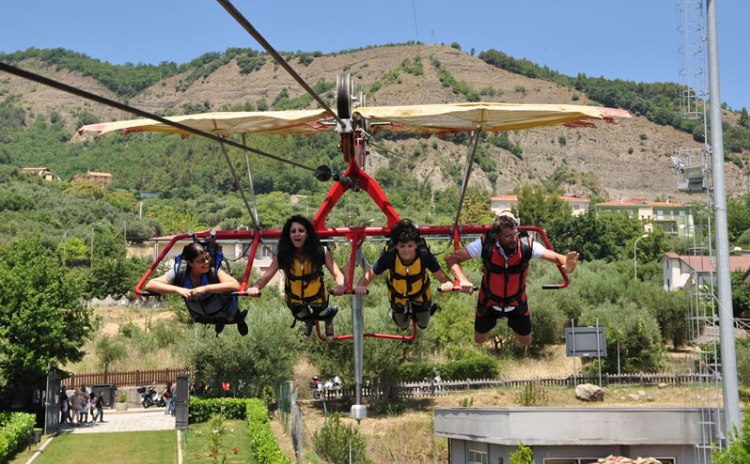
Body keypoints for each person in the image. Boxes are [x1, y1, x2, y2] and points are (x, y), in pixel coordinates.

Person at [445, 211, 579, 346]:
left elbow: (559, 258)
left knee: (526, 341)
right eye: (509, 236)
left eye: (515, 234)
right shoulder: (485, 244)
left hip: (516, 302)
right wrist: (462, 279)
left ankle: (512, 326)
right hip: (488, 301)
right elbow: (452, 258)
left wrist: (568, 267)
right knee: (479, 339)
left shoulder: (527, 245)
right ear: (497, 236)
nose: (514, 239)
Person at [248, 215, 345, 341]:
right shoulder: (282, 255)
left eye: (301, 231)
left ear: (307, 234)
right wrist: (255, 287)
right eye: (293, 231)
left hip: (317, 295)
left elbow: (338, 274)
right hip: (295, 299)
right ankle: (308, 321)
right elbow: (265, 278)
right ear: (288, 235)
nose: (297, 234)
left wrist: (341, 286)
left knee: (322, 311)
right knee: (301, 314)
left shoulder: (321, 252)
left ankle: (328, 317)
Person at [354, 219, 454, 330]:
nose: (406, 250)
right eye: (402, 246)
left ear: (416, 245)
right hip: (398, 296)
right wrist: (361, 285)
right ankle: (398, 315)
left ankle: (420, 314)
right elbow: (369, 275)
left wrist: (447, 283)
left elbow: (442, 276)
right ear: (396, 246)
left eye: (410, 246)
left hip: (421, 294)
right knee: (402, 325)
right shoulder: (390, 257)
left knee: (423, 323)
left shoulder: (424, 256)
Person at [145, 242, 249, 336]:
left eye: (207, 257)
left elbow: (235, 285)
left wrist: (206, 288)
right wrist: (178, 290)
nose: (206, 262)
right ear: (190, 263)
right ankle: (219, 322)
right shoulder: (181, 272)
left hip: (223, 308)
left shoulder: (213, 271)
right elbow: (150, 285)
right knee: (213, 315)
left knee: (232, 313)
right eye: (201, 261)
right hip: (201, 314)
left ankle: (238, 319)